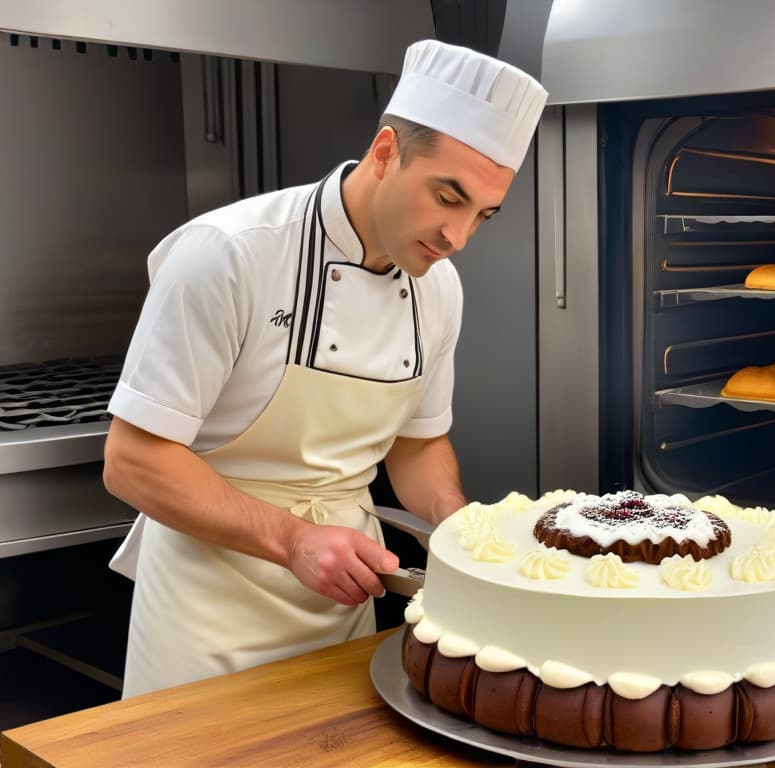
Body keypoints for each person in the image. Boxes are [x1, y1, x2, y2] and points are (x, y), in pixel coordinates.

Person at [102, 39, 548, 696]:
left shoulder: (439, 288)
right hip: (205, 616)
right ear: (387, 151)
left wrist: (458, 526)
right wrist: (292, 541)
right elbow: (133, 461)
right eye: (447, 198)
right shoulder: (229, 256)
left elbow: (417, 446)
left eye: (482, 215)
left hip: (342, 602)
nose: (458, 237)